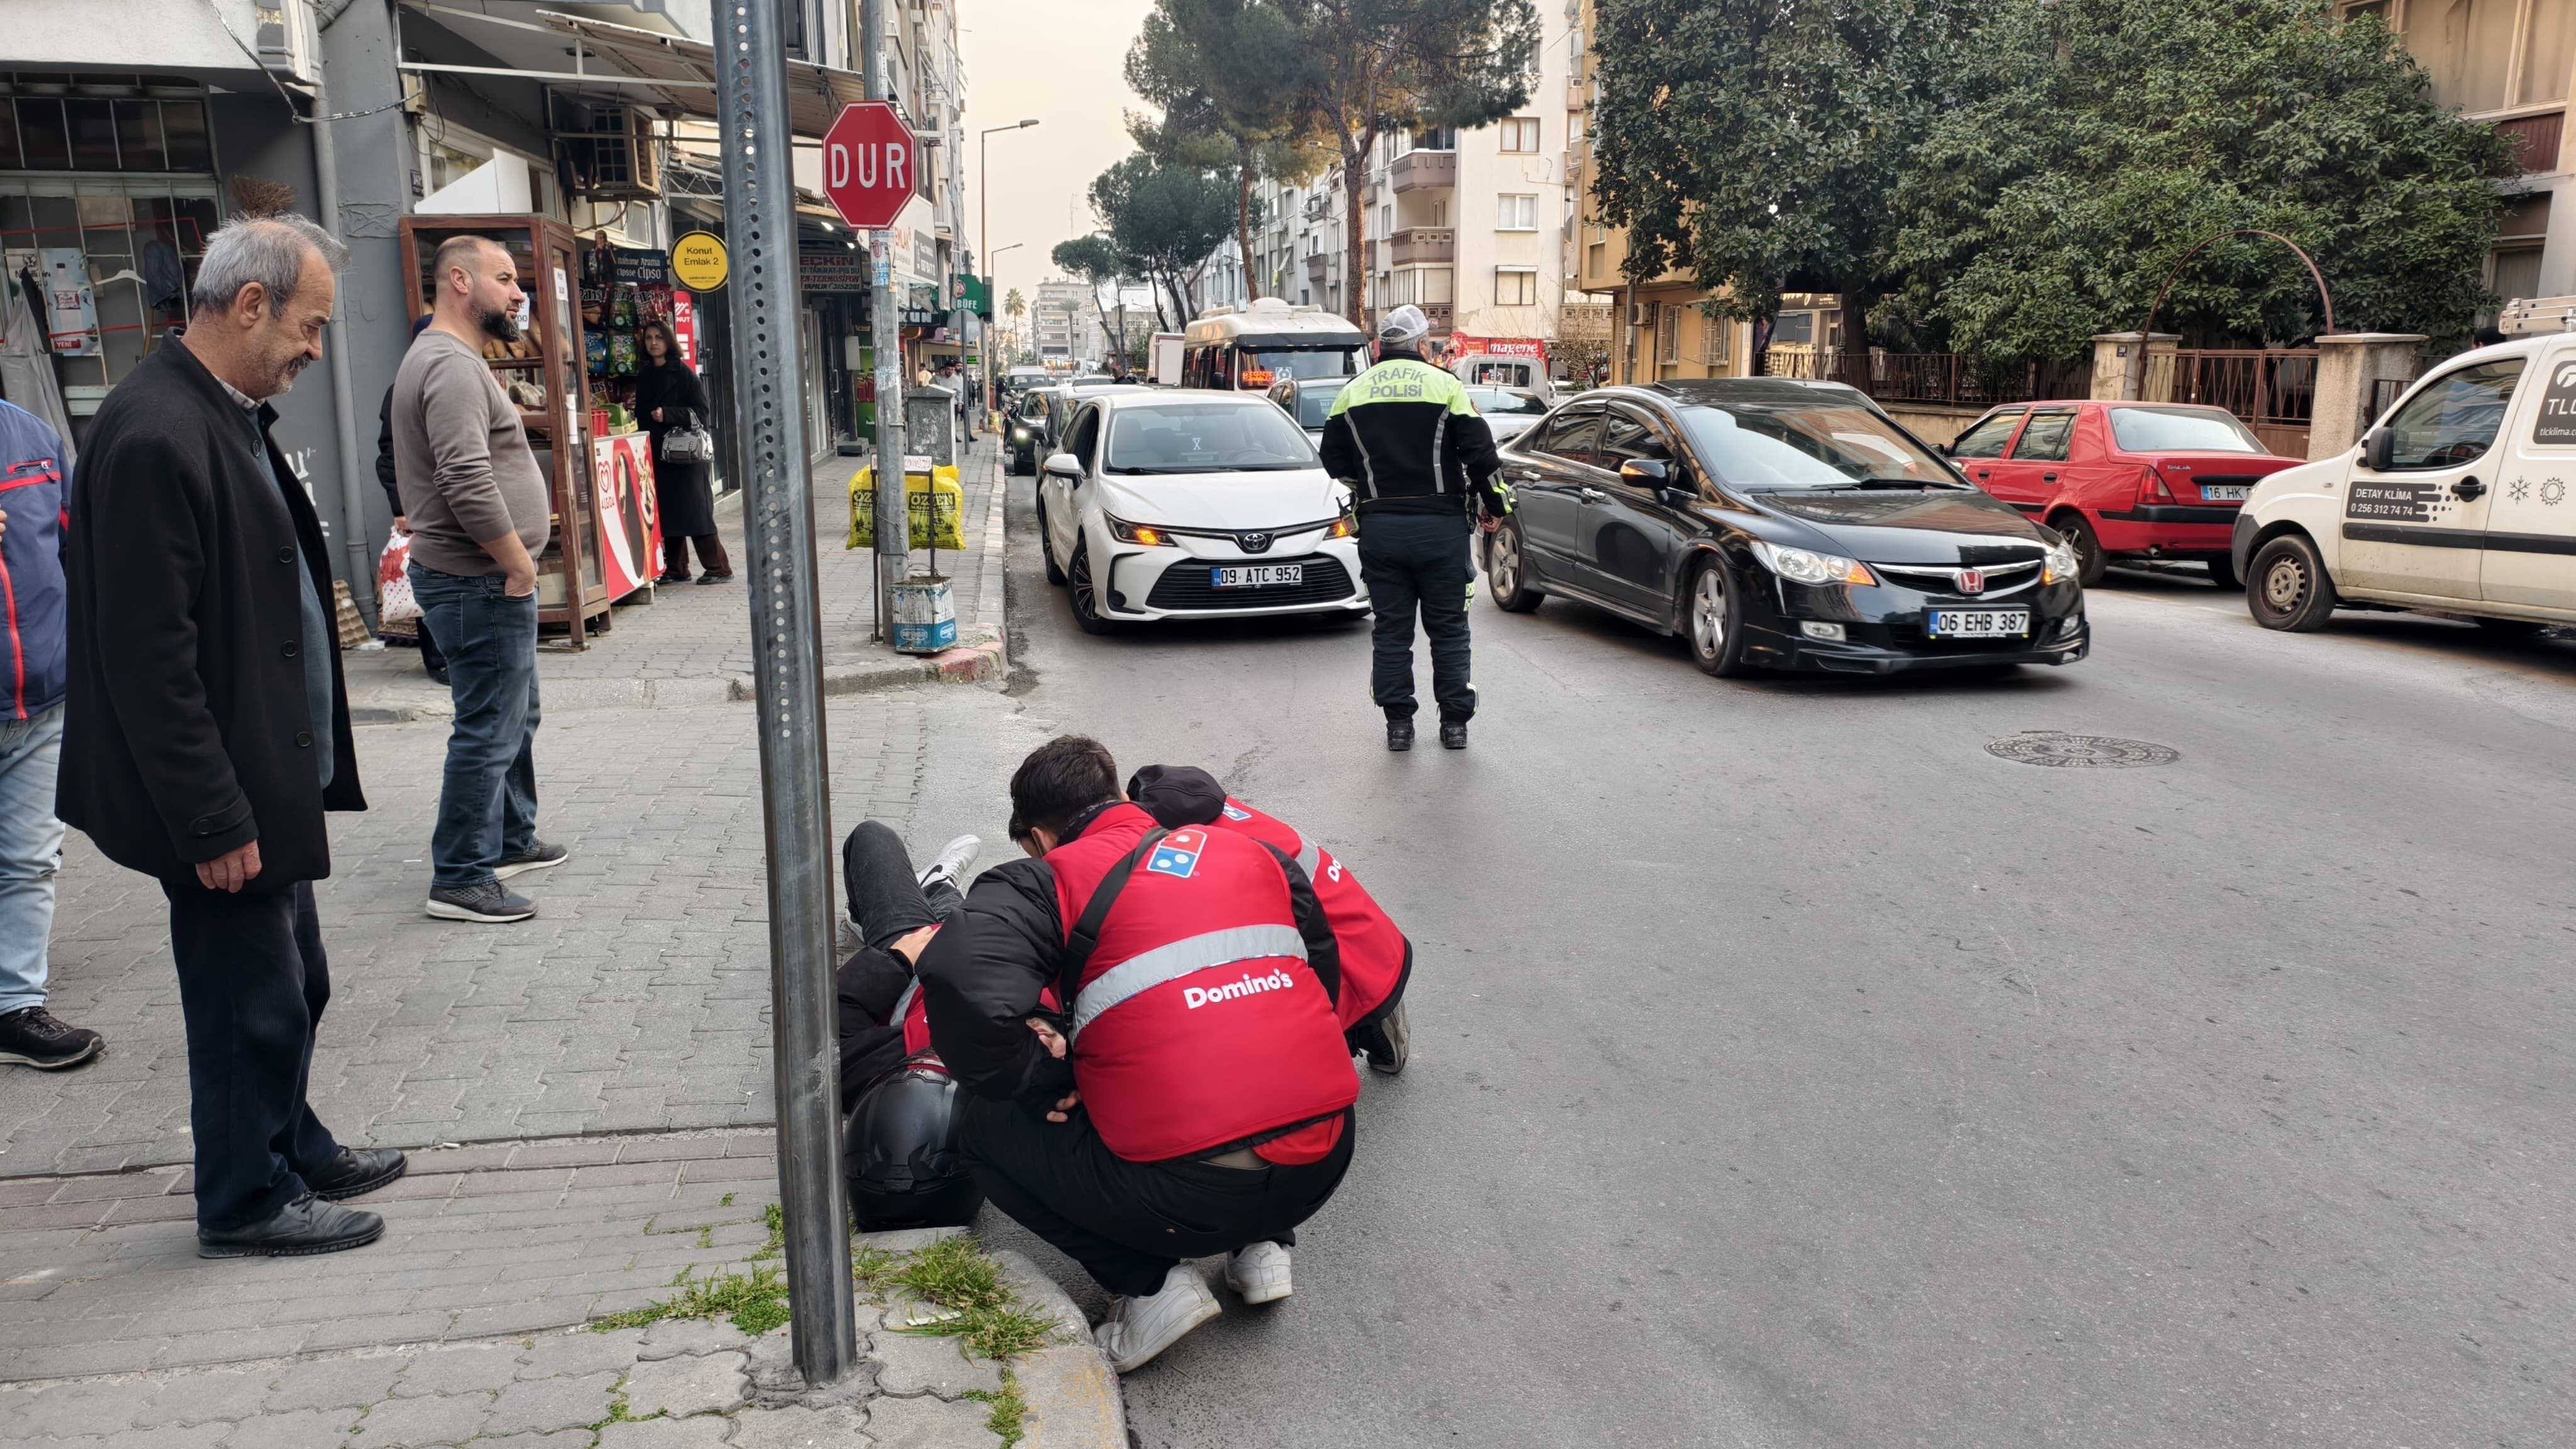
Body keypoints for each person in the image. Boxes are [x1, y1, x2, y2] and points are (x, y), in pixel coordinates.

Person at [58, 215, 404, 1257]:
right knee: (244, 994)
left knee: (295, 979)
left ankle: (288, 1138)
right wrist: (211, 814)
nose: (314, 348)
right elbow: (146, 656)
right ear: (249, 303)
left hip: (258, 771)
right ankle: (246, 1194)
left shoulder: (220, 410)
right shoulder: (155, 430)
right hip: (213, 793)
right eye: (308, 325)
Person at [916, 736, 1360, 1372]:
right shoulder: (1252, 851)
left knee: (984, 1131)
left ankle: (1149, 1288)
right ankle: (1262, 1249)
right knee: (1249, 1043)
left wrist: (1046, 1079)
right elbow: (1318, 973)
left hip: (1188, 1197)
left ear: (1039, 838)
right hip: (1324, 1161)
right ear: (1120, 797)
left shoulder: (1046, 880)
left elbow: (960, 979)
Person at [393, 235, 568, 925]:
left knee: (513, 716)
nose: (519, 292)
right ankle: (461, 875)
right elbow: (463, 476)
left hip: (478, 579)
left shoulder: (450, 360)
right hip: (478, 581)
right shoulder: (451, 364)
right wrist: (517, 563)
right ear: (458, 281)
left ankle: (509, 838)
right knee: (489, 728)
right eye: (505, 279)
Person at [1125, 765, 1409, 1074]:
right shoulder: (1211, 810)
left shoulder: (1202, 848)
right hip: (1366, 930)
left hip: (1353, 957)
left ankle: (1372, 1031)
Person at [1318, 303, 1507, 752]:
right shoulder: (1447, 386)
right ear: (1423, 345)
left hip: (1382, 532)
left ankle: (1399, 726)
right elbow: (1482, 454)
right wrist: (1495, 505)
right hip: (1441, 532)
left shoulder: (1353, 392)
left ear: (1382, 347)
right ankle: (1455, 726)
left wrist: (1367, 488)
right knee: (1449, 630)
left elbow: (1333, 460)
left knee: (1391, 632)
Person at [0, 397, 102, 1072]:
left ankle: (15, 1005)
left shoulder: (30, 432)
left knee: (32, 860)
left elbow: (78, 551)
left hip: (42, 698)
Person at [375, 313, 444, 683]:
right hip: (420, 506)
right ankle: (438, 661)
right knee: (429, 582)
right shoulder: (400, 389)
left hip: (450, 503)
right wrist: (400, 507)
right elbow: (388, 455)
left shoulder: (450, 382)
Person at [634, 319, 730, 585]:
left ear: (669, 342)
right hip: (657, 453)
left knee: (695, 511)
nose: (653, 343)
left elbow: (702, 412)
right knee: (667, 512)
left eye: (659, 338)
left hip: (685, 454)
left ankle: (718, 567)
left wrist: (668, 414)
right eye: (649, 338)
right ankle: (676, 569)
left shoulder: (684, 373)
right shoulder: (645, 375)